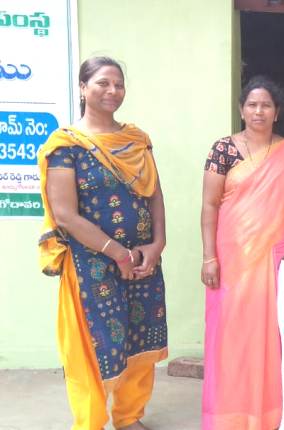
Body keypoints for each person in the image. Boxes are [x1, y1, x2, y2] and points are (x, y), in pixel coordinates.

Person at [38, 56, 167, 430]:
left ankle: (128, 417)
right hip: (90, 266)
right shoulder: (65, 146)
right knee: (94, 349)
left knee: (141, 339)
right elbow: (65, 215)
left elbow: (155, 195)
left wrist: (157, 245)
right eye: (102, 83)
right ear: (83, 88)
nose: (113, 91)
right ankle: (91, 423)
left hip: (142, 261)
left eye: (119, 84)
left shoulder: (136, 141)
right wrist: (117, 253)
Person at [200, 75, 284, 430]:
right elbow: (209, 205)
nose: (258, 111)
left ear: (276, 112)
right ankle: (232, 415)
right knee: (233, 338)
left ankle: (274, 414)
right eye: (252, 105)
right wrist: (209, 257)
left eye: (266, 105)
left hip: (278, 259)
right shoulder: (223, 150)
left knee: (276, 336)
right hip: (232, 261)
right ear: (241, 110)